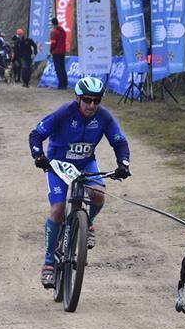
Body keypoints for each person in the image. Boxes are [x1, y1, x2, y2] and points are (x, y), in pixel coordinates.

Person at [28, 76, 131, 288]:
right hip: (59, 166)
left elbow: (119, 142)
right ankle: (48, 263)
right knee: (57, 210)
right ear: (78, 98)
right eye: (87, 100)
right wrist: (38, 155)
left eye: (96, 101)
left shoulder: (104, 117)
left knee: (98, 195)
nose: (92, 105)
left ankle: (88, 223)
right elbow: (36, 134)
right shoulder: (64, 113)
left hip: (85, 164)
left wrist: (124, 164)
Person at [49, 17, 68, 89]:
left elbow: (53, 43)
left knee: (58, 69)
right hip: (62, 51)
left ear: (52, 23)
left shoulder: (53, 32)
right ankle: (65, 84)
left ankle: (61, 85)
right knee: (63, 68)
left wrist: (51, 50)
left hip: (56, 52)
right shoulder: (63, 31)